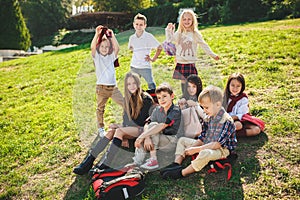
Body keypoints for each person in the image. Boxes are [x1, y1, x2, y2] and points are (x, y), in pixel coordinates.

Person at [73, 72, 154, 175]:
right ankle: (88, 162)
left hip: (143, 131)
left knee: (119, 131)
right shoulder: (127, 100)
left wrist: (121, 130)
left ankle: (106, 164)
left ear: (138, 83)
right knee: (111, 131)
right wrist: (120, 128)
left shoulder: (145, 99)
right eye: (128, 84)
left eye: (134, 83)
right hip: (132, 130)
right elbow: (126, 122)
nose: (131, 86)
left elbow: (143, 122)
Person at [162, 85, 237, 179]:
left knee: (205, 153)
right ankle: (176, 164)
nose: (204, 111)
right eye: (203, 108)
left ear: (218, 105)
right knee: (182, 140)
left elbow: (216, 144)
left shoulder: (226, 121)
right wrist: (193, 147)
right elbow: (203, 137)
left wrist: (196, 149)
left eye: (206, 107)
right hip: (208, 143)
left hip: (222, 150)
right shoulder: (209, 117)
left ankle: (182, 172)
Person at [165, 9, 220, 96]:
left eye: (189, 19)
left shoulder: (195, 34)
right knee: (183, 82)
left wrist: (212, 55)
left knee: (192, 82)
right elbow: (170, 40)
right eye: (184, 19)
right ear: (181, 21)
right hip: (181, 62)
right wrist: (169, 30)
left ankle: (196, 98)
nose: (186, 21)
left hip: (190, 62)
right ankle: (185, 97)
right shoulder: (179, 33)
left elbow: (203, 44)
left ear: (193, 20)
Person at [131, 83, 183, 170]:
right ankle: (137, 162)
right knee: (149, 131)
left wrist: (141, 136)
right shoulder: (157, 109)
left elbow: (162, 125)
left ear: (172, 96)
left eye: (164, 96)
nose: (162, 100)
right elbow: (147, 124)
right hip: (159, 138)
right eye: (159, 98)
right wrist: (146, 137)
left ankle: (153, 159)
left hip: (172, 140)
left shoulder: (176, 110)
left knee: (153, 127)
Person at [91, 25, 124, 135]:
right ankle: (101, 128)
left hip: (113, 88)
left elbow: (117, 48)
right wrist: (97, 34)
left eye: (106, 47)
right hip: (101, 88)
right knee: (100, 109)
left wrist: (112, 36)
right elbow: (92, 47)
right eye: (102, 47)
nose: (104, 49)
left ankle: (128, 122)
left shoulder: (111, 57)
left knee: (125, 104)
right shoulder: (97, 58)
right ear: (98, 47)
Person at [128, 13, 162, 91]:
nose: (138, 26)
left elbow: (159, 47)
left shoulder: (148, 37)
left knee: (151, 84)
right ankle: (136, 101)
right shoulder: (132, 38)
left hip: (145, 66)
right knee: (134, 85)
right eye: (137, 24)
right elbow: (131, 48)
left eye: (141, 24)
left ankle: (155, 100)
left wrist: (153, 59)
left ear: (145, 26)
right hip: (134, 66)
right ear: (133, 25)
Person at [223, 73, 263, 137]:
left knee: (256, 130)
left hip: (241, 119)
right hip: (226, 120)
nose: (235, 88)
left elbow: (242, 114)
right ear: (228, 85)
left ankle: (231, 134)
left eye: (238, 86)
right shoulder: (224, 97)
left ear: (242, 87)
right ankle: (224, 133)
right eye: (232, 85)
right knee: (238, 125)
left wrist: (233, 118)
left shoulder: (243, 98)